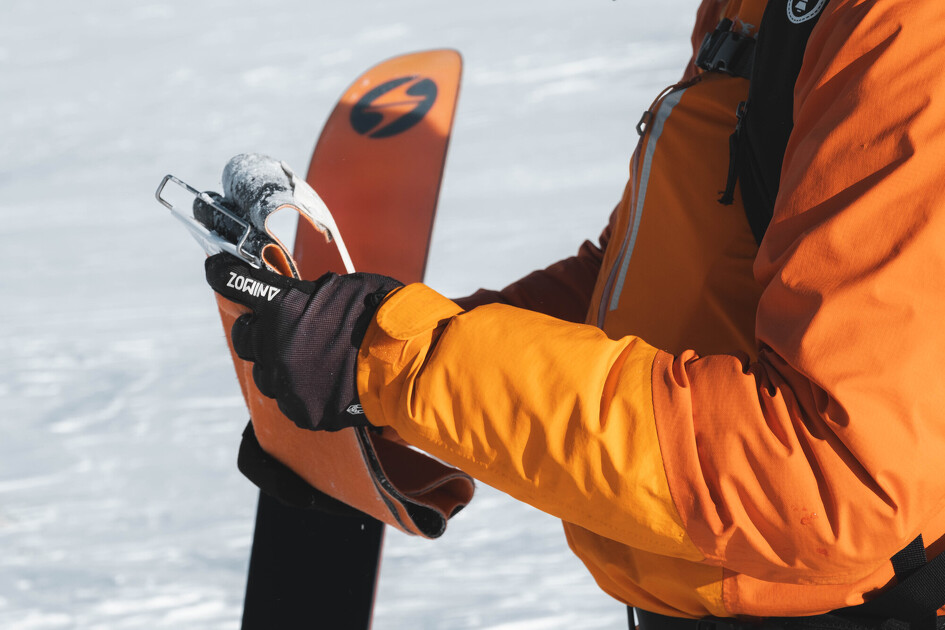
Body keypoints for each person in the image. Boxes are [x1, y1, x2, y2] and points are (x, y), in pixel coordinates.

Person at [204, 0, 945, 628]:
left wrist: (392, 359)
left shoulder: (906, 34)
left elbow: (829, 475)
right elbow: (645, 287)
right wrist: (372, 371)